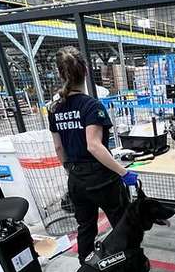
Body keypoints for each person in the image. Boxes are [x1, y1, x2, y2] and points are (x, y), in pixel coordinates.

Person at [49, 46, 138, 260]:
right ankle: (130, 264)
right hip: (101, 179)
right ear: (86, 71)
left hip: (76, 179)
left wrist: (71, 169)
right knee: (121, 223)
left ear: (60, 74)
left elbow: (59, 148)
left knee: (86, 226)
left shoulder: (55, 108)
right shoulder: (91, 105)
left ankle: (87, 269)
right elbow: (94, 145)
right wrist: (123, 173)